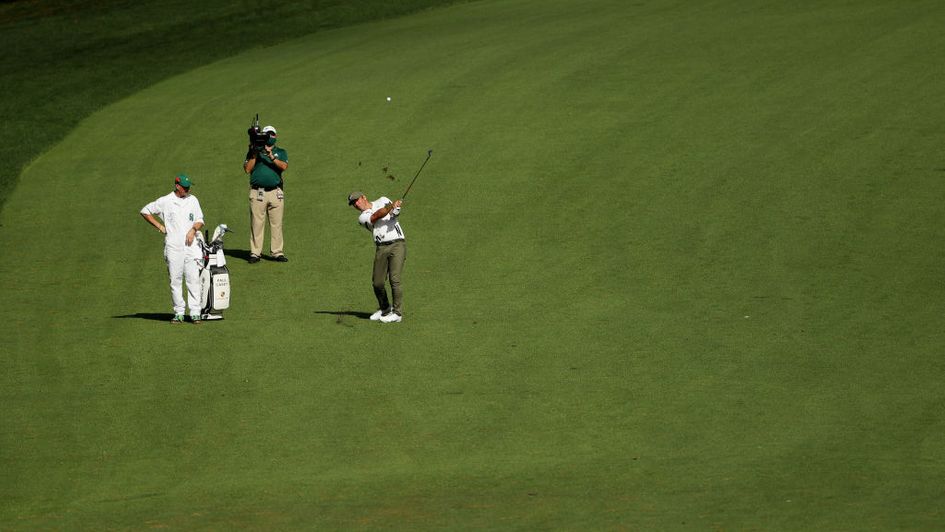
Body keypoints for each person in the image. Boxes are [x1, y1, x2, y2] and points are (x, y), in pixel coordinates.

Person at [140, 174, 206, 324]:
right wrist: (160, 226)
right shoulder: (165, 201)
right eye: (185, 187)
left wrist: (193, 230)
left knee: (193, 279)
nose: (188, 190)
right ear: (177, 186)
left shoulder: (193, 200)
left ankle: (195, 312)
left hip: (191, 246)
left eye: (189, 187)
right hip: (173, 246)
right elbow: (145, 210)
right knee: (175, 280)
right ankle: (179, 312)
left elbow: (200, 219)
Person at [348, 191, 406, 323]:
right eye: (353, 204)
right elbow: (376, 216)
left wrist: (396, 208)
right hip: (381, 248)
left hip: (397, 244)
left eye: (357, 200)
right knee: (377, 283)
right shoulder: (362, 217)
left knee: (394, 279)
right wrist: (391, 207)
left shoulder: (383, 200)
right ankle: (385, 308)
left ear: (364, 197)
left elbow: (394, 214)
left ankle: (397, 313)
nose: (356, 205)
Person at [243, 124, 289, 263]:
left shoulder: (280, 152)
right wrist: (255, 154)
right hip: (258, 193)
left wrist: (271, 156)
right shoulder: (253, 151)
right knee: (257, 223)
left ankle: (277, 252)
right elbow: (247, 169)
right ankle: (255, 253)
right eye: (268, 134)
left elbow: (284, 166)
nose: (270, 136)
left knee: (276, 224)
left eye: (272, 134)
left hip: (275, 192)